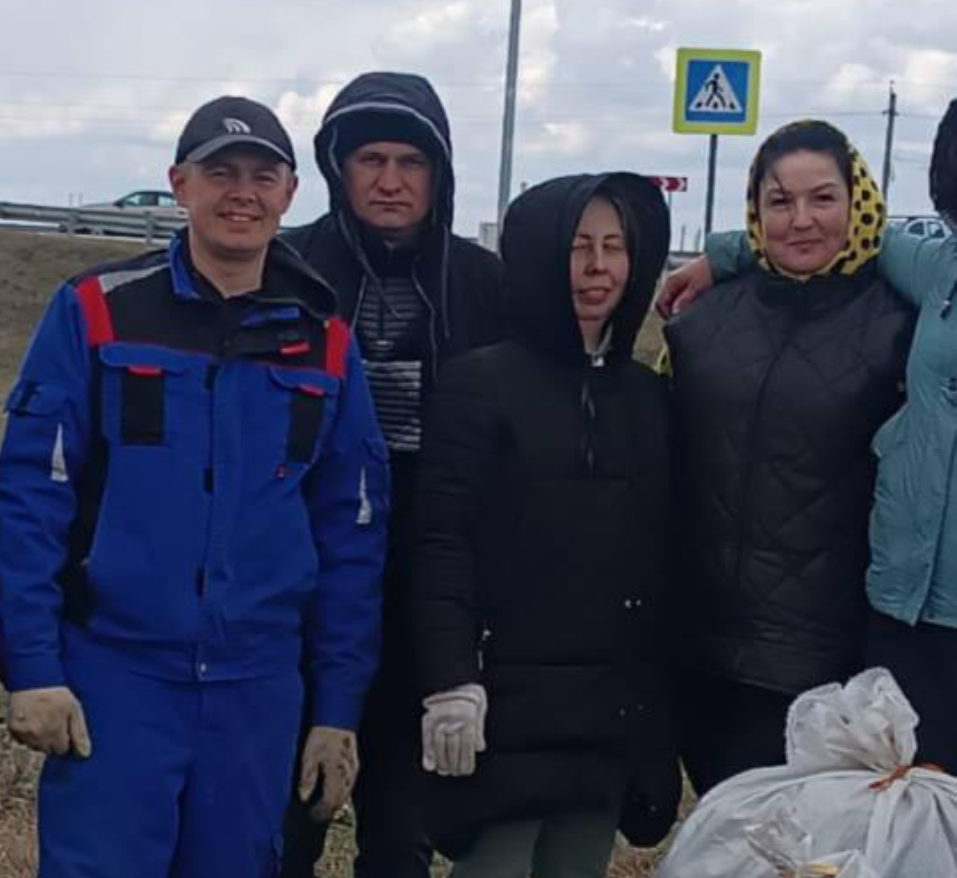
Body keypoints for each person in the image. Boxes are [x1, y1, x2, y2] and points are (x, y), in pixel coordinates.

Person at [0, 96, 389, 878]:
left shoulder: (325, 340)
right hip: (116, 676)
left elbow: (353, 533)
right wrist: (33, 667)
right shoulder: (96, 311)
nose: (242, 193)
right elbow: (34, 498)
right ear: (180, 184)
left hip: (256, 691)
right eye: (220, 173)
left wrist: (337, 709)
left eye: (262, 176)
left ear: (289, 192)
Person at [658, 100, 957, 772]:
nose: (800, 218)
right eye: (779, 201)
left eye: (822, 198)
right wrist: (723, 254)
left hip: (856, 636)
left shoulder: (902, 312)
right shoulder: (941, 273)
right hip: (731, 637)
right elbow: (848, 227)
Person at [408, 173, 679, 876]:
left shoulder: (647, 399)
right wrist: (449, 678)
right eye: (578, 246)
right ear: (537, 257)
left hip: (604, 713)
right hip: (501, 705)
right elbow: (439, 542)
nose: (598, 267)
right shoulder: (479, 385)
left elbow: (658, 559)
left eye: (615, 247)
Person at [279, 71, 505, 878]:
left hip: (427, 584)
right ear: (338, 168)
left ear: (440, 175)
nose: (390, 180)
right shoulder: (287, 271)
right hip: (306, 580)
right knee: (282, 821)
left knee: (402, 832)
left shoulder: (485, 285)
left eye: (411, 162)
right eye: (369, 159)